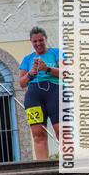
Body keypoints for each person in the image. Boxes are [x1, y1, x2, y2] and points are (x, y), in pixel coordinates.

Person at [19, 26, 69, 160]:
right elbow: (21, 83)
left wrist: (47, 68)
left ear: (45, 39)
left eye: (41, 40)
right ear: (31, 41)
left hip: (56, 92)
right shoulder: (27, 59)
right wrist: (30, 73)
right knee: (38, 134)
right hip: (34, 96)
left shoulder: (56, 52)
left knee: (62, 131)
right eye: (35, 41)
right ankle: (43, 167)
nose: (38, 44)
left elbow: (66, 73)